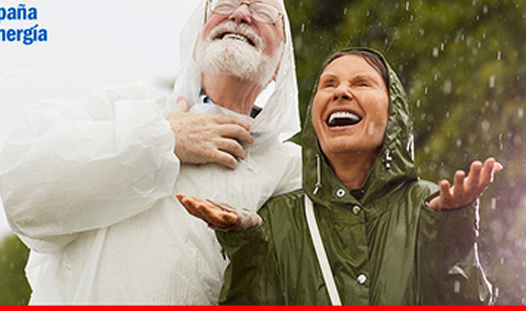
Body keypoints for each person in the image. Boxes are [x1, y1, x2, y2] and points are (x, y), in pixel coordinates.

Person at [0, 0, 301, 304]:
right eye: (225, 5)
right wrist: (163, 139)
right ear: (196, 46)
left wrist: (252, 236)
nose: (241, 14)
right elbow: (26, 192)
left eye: (264, 13)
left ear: (280, 67)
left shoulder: (289, 168)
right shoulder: (127, 106)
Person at [178, 48, 502, 305]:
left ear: (395, 114)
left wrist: (447, 229)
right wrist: (246, 245)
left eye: (362, 83)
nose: (341, 92)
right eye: (328, 84)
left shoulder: (429, 207)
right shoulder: (277, 221)